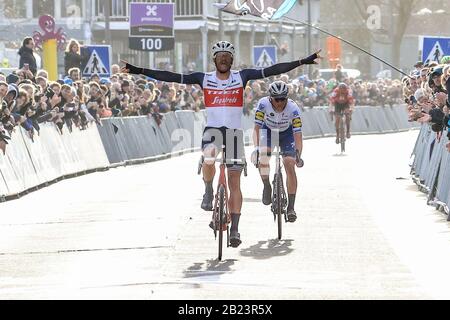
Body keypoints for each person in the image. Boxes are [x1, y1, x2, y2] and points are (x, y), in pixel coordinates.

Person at [121, 41, 321, 248]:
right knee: (209, 156)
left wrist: (303, 61)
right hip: (213, 131)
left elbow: (273, 70)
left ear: (232, 60)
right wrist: (138, 70)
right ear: (214, 59)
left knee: (235, 182)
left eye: (227, 56)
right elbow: (170, 76)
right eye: (220, 56)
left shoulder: (241, 77)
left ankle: (234, 229)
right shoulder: (204, 78)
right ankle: (208, 189)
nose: (223, 59)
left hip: (234, 133)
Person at [251, 81, 304, 222]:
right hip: (268, 131)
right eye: (277, 99)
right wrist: (256, 149)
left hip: (287, 134)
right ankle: (267, 186)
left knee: (289, 163)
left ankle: (291, 207)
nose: (280, 102)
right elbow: (256, 128)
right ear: (270, 98)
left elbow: (298, 134)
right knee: (263, 158)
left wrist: (298, 154)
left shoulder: (293, 108)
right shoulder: (263, 104)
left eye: (283, 99)